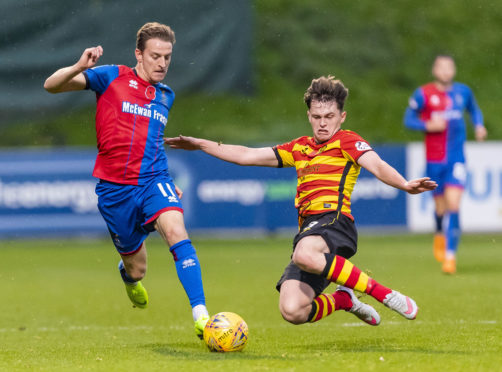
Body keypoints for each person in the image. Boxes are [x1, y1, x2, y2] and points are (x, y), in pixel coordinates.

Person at [165, 76, 437, 326]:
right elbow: (246, 155)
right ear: (309, 116)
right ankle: (344, 299)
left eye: (329, 116)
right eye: (317, 116)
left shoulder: (347, 141)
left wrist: (404, 184)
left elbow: (377, 165)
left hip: (334, 222)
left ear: (341, 117)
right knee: (292, 310)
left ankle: (384, 294)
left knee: (304, 254)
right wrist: (201, 144)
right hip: (309, 229)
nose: (323, 122)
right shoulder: (299, 148)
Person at [44, 22, 210, 338]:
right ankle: (129, 277)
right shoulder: (112, 76)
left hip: (154, 181)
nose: (162, 63)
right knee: (138, 268)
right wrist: (80, 66)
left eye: (168, 57)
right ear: (139, 54)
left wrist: (166, 181)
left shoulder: (166, 95)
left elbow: (152, 141)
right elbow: (51, 85)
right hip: (114, 191)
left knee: (176, 232)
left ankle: (202, 317)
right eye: (155, 56)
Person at [404, 55, 487, 274]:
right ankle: (439, 231)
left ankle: (450, 257)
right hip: (434, 160)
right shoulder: (424, 94)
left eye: (449, 67)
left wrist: (479, 126)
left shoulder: (463, 92)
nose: (446, 71)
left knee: (454, 205)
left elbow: (474, 110)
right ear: (434, 70)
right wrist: (427, 124)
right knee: (440, 208)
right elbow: (408, 119)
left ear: (454, 69)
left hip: (456, 159)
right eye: (441, 67)